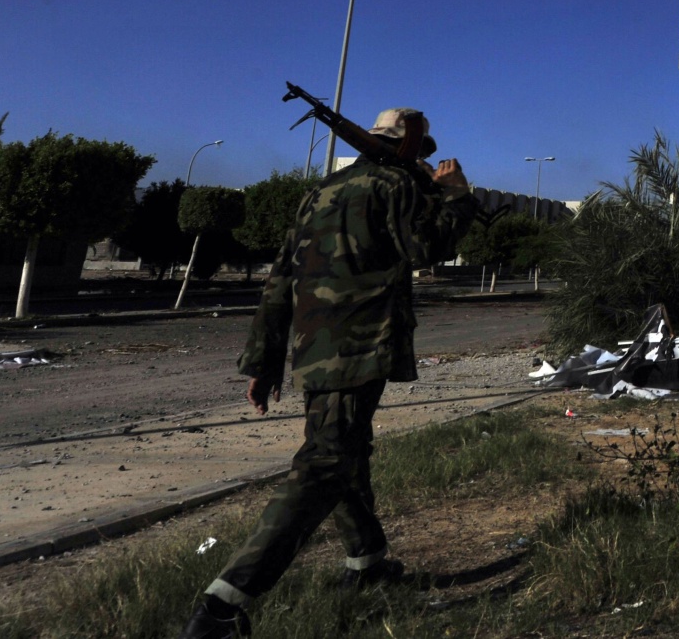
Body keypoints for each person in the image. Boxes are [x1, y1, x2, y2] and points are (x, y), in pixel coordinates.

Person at [180, 108, 478, 639]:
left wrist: (266, 359)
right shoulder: (393, 186)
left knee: (345, 452)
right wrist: (457, 195)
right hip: (359, 346)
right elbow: (427, 249)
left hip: (311, 348)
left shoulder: (319, 193)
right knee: (325, 463)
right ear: (409, 147)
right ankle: (222, 606)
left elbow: (280, 277)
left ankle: (367, 562)